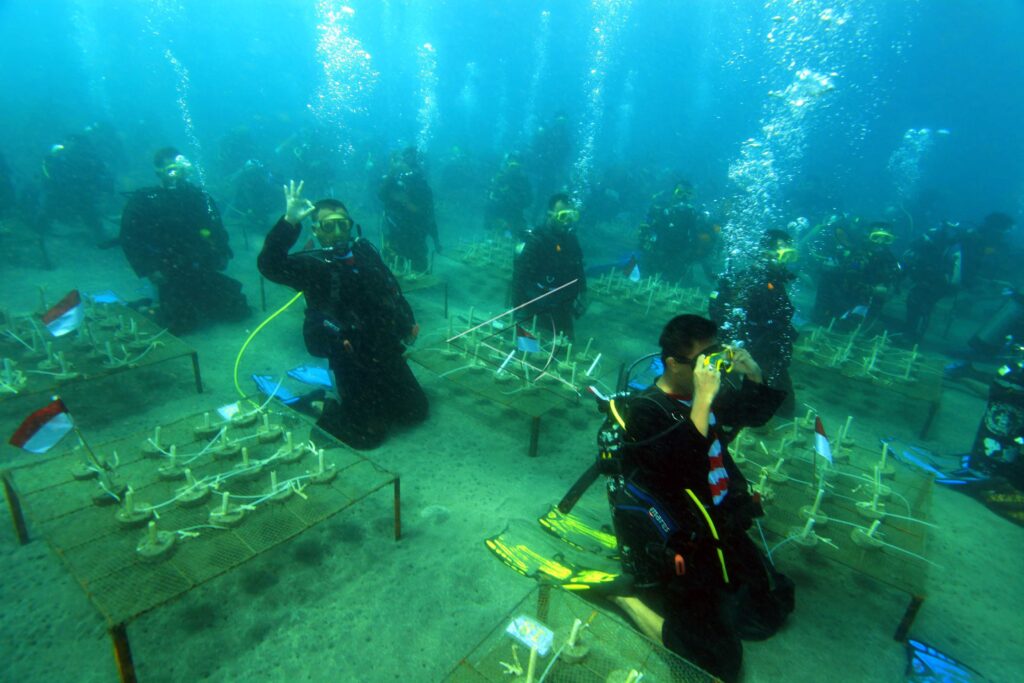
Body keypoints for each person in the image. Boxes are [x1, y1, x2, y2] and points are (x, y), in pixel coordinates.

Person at [606, 314, 793, 683]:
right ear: (674, 363)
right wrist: (704, 399)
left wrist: (752, 374)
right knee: (718, 662)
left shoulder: (707, 393)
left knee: (772, 605)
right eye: (705, 361)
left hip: (718, 521)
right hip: (685, 533)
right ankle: (624, 597)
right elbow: (675, 468)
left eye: (716, 357)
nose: (714, 369)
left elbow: (753, 415)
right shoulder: (646, 410)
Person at [258, 180, 428, 450]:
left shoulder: (365, 251)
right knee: (368, 435)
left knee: (415, 413)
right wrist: (289, 221)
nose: (338, 232)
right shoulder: (312, 265)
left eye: (343, 224)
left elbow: (391, 288)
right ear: (316, 230)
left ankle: (376, 396)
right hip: (349, 357)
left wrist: (406, 322)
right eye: (328, 225)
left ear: (351, 225)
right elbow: (269, 265)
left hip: (384, 348)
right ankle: (322, 405)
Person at [120, 147, 249, 334]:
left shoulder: (199, 196)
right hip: (169, 270)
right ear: (158, 172)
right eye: (170, 169)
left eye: (179, 167)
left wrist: (221, 252)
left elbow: (217, 228)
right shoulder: (145, 200)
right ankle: (147, 307)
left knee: (236, 310)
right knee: (181, 325)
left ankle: (193, 300)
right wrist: (149, 269)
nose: (176, 173)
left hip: (201, 266)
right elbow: (129, 237)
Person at [709, 230, 798, 417]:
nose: (786, 260)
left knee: (785, 407)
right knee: (762, 409)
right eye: (782, 253)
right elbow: (732, 321)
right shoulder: (752, 281)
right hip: (751, 352)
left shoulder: (773, 281)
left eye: (789, 254)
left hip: (769, 352)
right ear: (766, 253)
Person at [511, 193, 588, 341]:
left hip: (561, 305)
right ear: (550, 213)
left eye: (572, 216)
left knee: (565, 350)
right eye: (562, 216)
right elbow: (520, 277)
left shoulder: (572, 239)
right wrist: (517, 309)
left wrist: (583, 293)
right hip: (535, 303)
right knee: (529, 351)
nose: (567, 222)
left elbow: (578, 267)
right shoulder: (537, 240)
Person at [639, 180, 720, 284]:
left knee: (670, 284)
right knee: (643, 277)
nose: (683, 197)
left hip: (678, 257)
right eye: (680, 193)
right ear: (674, 192)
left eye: (688, 194)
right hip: (656, 252)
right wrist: (645, 240)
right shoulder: (659, 208)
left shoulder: (694, 214)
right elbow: (646, 227)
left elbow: (700, 238)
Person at [378, 147, 441, 272]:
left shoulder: (421, 184)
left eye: (411, 158)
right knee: (395, 267)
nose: (405, 162)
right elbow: (381, 194)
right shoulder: (396, 180)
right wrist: (392, 171)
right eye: (404, 158)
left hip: (415, 232)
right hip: (396, 232)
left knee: (419, 269)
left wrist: (436, 240)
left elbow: (427, 212)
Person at [483, 152, 532, 240]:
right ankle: (490, 232)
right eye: (511, 161)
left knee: (515, 236)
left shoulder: (523, 180)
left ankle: (508, 231)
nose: (513, 164)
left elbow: (529, 200)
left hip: (514, 212)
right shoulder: (500, 176)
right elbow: (490, 196)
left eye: (516, 162)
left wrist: (514, 199)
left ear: (520, 165)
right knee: (489, 208)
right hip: (498, 211)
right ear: (506, 162)